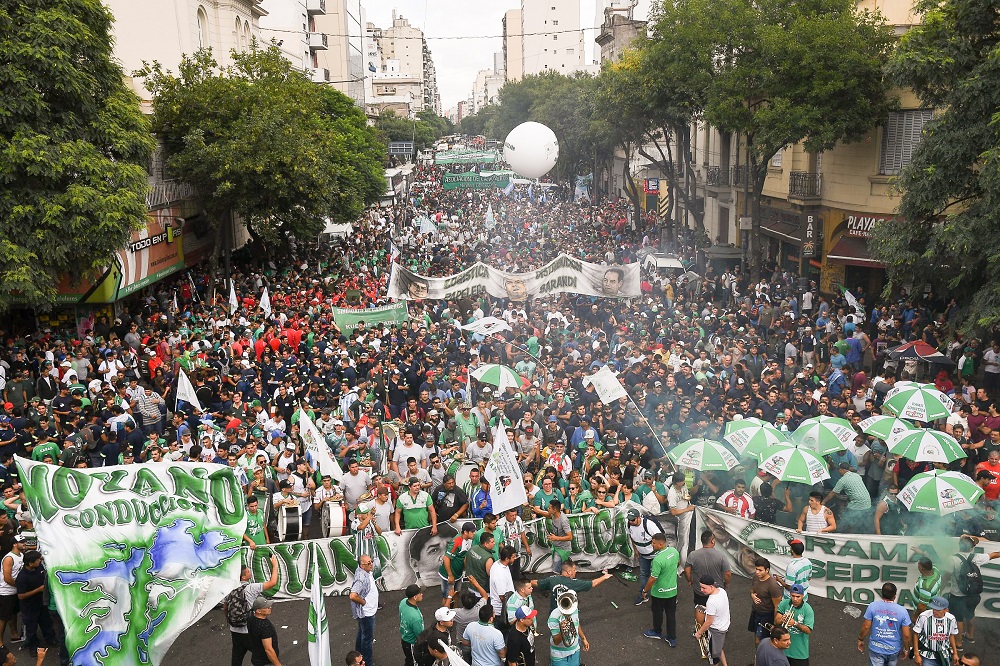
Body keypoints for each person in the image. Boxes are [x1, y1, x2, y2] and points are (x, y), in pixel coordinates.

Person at [944, 535, 1000, 650]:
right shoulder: (977, 557)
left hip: (958, 596)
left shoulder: (952, 559)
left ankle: (958, 644)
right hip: (974, 595)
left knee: (958, 619)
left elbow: (946, 577)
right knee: (970, 614)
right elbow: (995, 554)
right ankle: (970, 635)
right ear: (971, 548)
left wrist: (939, 590)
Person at [227, 553, 280, 666]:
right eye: (247, 572)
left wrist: (231, 620)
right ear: (244, 577)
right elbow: (272, 582)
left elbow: (226, 607)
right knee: (262, 654)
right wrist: (275, 565)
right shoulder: (251, 588)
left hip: (234, 629)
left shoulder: (230, 588)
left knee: (237, 658)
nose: (249, 572)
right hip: (248, 629)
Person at [531, 559, 613, 614]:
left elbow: (537, 583)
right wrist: (604, 577)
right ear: (569, 572)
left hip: (554, 613)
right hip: (568, 612)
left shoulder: (552, 579)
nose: (575, 571)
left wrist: (526, 583)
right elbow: (593, 583)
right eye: (574, 570)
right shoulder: (574, 583)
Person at [859, 582, 912, 666]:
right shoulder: (902, 611)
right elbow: (906, 635)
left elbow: (866, 626)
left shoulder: (872, 606)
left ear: (882, 593)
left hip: (876, 648)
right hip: (893, 649)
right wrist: (906, 649)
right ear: (894, 596)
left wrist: (860, 639)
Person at [640, 532, 679, 647]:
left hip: (659, 593)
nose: (652, 545)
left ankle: (657, 631)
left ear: (661, 544)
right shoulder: (674, 551)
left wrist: (645, 590)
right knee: (671, 615)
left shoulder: (657, 560)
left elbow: (652, 578)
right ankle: (672, 638)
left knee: (657, 613)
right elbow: (677, 563)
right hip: (673, 591)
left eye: (653, 543)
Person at [14, 551, 55, 659]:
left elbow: (41, 557)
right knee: (31, 628)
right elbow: (21, 596)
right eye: (37, 560)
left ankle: (51, 640)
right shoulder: (22, 577)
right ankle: (33, 647)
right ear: (30, 563)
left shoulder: (39, 567)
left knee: (47, 623)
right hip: (29, 607)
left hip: (42, 603)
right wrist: (38, 590)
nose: (39, 561)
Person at [685, 530, 732, 609]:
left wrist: (689, 580)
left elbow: (687, 571)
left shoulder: (692, 555)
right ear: (712, 541)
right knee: (716, 614)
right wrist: (726, 583)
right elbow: (727, 574)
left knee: (700, 611)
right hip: (716, 590)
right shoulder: (721, 555)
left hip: (700, 591)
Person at [626, 507, 663, 606]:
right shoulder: (629, 525)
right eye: (629, 519)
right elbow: (631, 537)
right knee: (644, 575)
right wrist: (635, 549)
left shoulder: (649, 525)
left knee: (659, 575)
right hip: (643, 555)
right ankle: (643, 595)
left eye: (633, 519)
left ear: (638, 518)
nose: (631, 522)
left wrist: (661, 554)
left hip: (655, 554)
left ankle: (666, 596)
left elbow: (660, 539)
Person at [825, 461, 873, 532]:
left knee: (847, 518)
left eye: (839, 469)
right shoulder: (857, 475)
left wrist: (823, 502)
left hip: (858, 504)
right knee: (861, 523)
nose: (838, 471)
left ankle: (847, 533)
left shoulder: (843, 480)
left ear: (843, 470)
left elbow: (832, 493)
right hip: (868, 502)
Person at [694, 575, 730, 666]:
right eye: (700, 587)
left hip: (715, 630)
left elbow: (709, 622)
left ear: (711, 586)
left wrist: (699, 633)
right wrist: (707, 609)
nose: (701, 590)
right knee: (719, 647)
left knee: (714, 658)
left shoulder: (711, 601)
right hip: (724, 626)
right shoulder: (722, 591)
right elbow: (720, 608)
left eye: (704, 588)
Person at [911, 596, 959, 666]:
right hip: (927, 655)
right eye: (934, 609)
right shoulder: (924, 616)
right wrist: (916, 654)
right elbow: (915, 634)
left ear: (946, 610)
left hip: (944, 654)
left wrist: (955, 653)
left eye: (938, 610)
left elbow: (951, 635)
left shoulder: (951, 619)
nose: (935, 611)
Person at [547, 587, 589, 666]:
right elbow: (556, 641)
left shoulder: (574, 609)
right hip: (560, 656)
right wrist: (562, 630)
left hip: (575, 651)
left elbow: (576, 623)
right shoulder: (554, 617)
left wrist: (583, 638)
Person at [349, 555, 379, 666]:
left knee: (362, 633)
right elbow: (353, 595)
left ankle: (358, 655)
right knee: (367, 639)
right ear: (362, 565)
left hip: (366, 612)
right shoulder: (361, 578)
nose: (371, 564)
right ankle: (367, 662)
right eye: (368, 563)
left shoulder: (364, 571)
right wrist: (363, 602)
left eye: (371, 562)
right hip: (367, 613)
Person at [439, 521, 477, 605]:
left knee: (456, 594)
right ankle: (444, 616)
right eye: (472, 531)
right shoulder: (456, 542)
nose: (474, 533)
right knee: (447, 597)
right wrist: (450, 575)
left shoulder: (469, 540)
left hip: (458, 574)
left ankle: (455, 613)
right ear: (465, 532)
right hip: (448, 575)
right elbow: (446, 558)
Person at [775, 584, 814, 666]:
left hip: (799, 653)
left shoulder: (808, 609)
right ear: (790, 595)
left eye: (798, 596)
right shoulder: (784, 603)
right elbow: (776, 621)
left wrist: (795, 623)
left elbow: (808, 630)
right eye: (793, 596)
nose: (795, 599)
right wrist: (782, 620)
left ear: (803, 596)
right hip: (783, 650)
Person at [749, 557, 784, 645]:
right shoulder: (756, 578)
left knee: (761, 641)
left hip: (766, 615)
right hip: (756, 612)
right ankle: (758, 657)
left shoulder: (773, 585)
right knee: (756, 637)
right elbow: (753, 590)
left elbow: (777, 606)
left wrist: (776, 624)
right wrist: (752, 595)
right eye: (756, 569)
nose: (757, 572)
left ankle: (762, 657)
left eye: (760, 570)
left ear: (767, 570)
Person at [668, 472, 695, 565]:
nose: (684, 482)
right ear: (676, 482)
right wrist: (687, 509)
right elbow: (673, 512)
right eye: (682, 481)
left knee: (686, 539)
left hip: (687, 516)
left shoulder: (683, 486)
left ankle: (682, 561)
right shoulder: (672, 493)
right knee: (681, 540)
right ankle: (678, 561)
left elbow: (687, 495)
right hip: (679, 520)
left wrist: (687, 498)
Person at [247, 597, 282, 666]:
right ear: (258, 611)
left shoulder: (251, 619)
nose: (270, 607)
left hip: (256, 658)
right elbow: (268, 650)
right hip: (265, 661)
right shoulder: (265, 626)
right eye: (267, 607)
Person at [399, 584, 425, 666]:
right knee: (413, 662)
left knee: (409, 659)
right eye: (420, 593)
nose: (422, 594)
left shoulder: (403, 602)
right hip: (412, 643)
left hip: (404, 639)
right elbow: (420, 635)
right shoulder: (415, 617)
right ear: (414, 597)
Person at [466, 532, 496, 601]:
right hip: (482, 591)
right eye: (492, 542)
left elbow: (465, 561)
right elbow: (491, 576)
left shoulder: (473, 548)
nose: (494, 543)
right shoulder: (488, 558)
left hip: (470, 586)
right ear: (486, 543)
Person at [489, 546, 517, 620]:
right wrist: (512, 607)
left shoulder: (498, 563)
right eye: (513, 557)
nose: (515, 558)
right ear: (507, 559)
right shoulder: (500, 574)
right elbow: (502, 597)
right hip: (501, 611)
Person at [546, 500, 572, 574]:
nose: (548, 509)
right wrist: (537, 511)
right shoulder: (553, 515)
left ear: (554, 510)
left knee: (556, 571)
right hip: (557, 547)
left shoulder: (563, 520)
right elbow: (547, 515)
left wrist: (556, 538)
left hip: (563, 549)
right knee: (561, 570)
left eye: (549, 508)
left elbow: (570, 537)